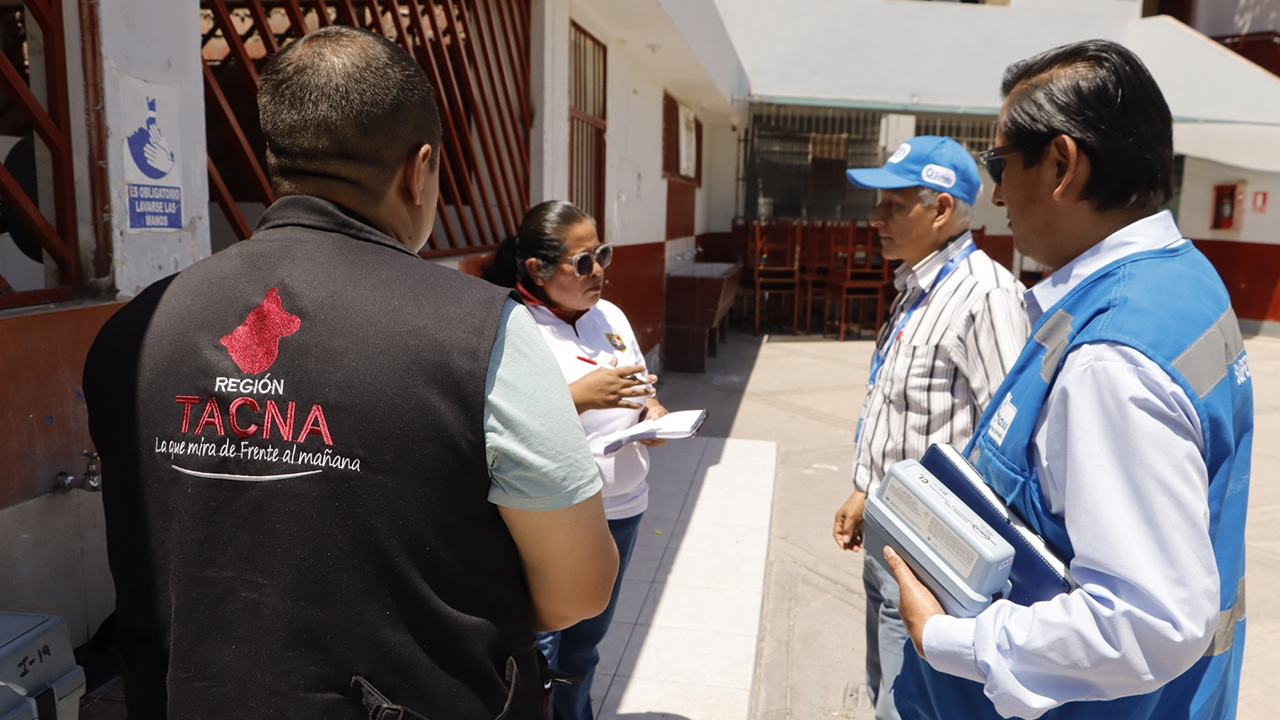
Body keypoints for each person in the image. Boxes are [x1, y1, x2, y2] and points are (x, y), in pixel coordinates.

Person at [81, 27, 619, 720]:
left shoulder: (134, 329)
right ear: (418, 170)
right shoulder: (485, 332)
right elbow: (577, 589)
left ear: (278, 158)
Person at [885, 40, 1252, 720]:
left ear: (1061, 164)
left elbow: (1149, 622)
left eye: (1000, 164)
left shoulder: (1112, 360)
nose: (995, 193)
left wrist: (948, 638)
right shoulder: (1179, 281)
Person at [830, 136, 1030, 719]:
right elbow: (902, 408)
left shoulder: (985, 296)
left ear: (940, 209)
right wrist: (866, 487)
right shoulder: (917, 287)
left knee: (907, 701)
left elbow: (1008, 442)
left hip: (932, 555)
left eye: (893, 205)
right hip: (889, 531)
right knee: (882, 685)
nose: (876, 219)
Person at [483, 200, 668, 720]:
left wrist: (650, 414)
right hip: (556, 514)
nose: (599, 271)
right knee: (541, 643)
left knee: (585, 645)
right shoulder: (512, 326)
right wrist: (580, 396)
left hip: (625, 505)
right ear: (539, 270)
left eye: (601, 254)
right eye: (583, 261)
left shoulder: (610, 315)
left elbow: (639, 389)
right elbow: (497, 421)